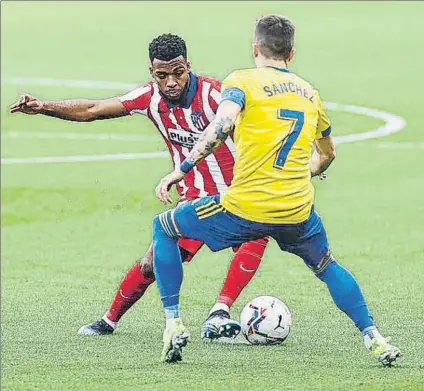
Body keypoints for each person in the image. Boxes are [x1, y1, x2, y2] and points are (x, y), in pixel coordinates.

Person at [152, 15, 401, 365]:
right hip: (296, 211)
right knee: (327, 265)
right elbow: (327, 154)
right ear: (292, 53)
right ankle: (374, 338)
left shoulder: (242, 80)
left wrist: (181, 170)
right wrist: (305, 172)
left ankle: (173, 323)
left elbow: (220, 126)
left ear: (255, 48)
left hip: (244, 208)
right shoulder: (309, 93)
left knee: (164, 227)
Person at [9, 33, 271, 340]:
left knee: (258, 232)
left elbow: (267, 126)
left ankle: (220, 311)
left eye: (178, 72)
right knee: (151, 263)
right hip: (195, 199)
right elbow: (93, 110)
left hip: (238, 194)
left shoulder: (218, 96)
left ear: (188, 65)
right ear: (152, 73)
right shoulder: (150, 98)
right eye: (162, 75)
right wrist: (44, 107)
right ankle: (109, 320)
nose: (171, 82)